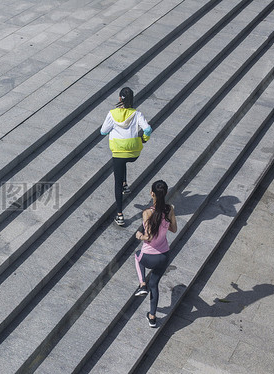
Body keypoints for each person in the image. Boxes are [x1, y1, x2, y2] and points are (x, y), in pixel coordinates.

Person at [100, 87, 152, 226]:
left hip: (118, 152)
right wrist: (144, 139)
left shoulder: (112, 114)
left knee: (117, 177)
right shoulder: (137, 114)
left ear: (119, 99)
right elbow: (147, 129)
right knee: (124, 162)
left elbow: (103, 132)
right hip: (134, 153)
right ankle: (125, 184)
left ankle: (120, 215)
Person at [134, 180, 178, 327]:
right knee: (155, 284)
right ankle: (152, 317)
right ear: (165, 193)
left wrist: (139, 236)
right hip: (164, 256)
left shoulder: (147, 213)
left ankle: (142, 285)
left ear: (152, 193)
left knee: (137, 256)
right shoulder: (169, 209)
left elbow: (149, 237)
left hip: (149, 256)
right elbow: (174, 229)